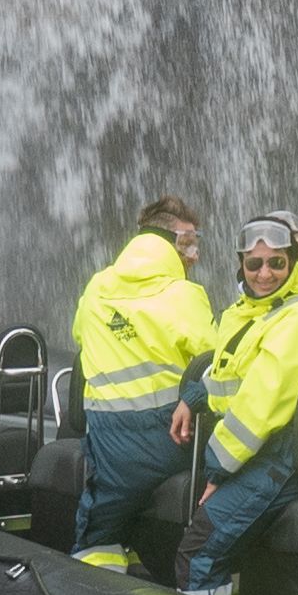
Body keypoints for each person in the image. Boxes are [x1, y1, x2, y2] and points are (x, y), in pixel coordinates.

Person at [171, 213, 298, 595]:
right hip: (259, 455)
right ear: (240, 265)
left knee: (199, 553)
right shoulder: (251, 313)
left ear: (293, 264)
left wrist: (217, 471)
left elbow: (258, 408)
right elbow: (231, 372)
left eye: (277, 263)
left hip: (279, 458)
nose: (265, 273)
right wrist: (194, 398)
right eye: (254, 264)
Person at [68, 198, 213, 572]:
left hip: (110, 447)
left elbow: (80, 337)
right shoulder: (185, 296)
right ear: (168, 241)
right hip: (174, 442)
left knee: (97, 533)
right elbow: (215, 363)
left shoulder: (96, 287)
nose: (194, 256)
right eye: (189, 244)